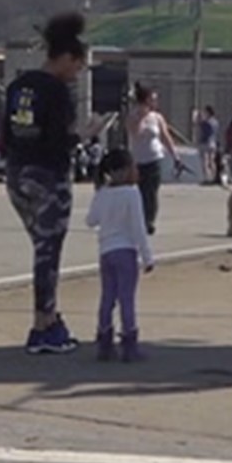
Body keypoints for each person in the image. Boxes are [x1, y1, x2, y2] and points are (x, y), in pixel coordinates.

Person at [0, 12, 90, 355]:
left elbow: (6, 135)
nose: (76, 73)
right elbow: (58, 140)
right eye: (77, 66)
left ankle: (50, 317)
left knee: (41, 246)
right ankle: (43, 325)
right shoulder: (57, 92)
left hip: (16, 174)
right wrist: (83, 136)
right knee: (48, 252)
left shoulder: (18, 86)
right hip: (49, 175)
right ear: (66, 58)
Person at [86, 146, 155, 362]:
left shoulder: (102, 192)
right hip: (126, 251)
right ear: (125, 170)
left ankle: (104, 341)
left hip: (105, 251)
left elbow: (91, 220)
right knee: (127, 299)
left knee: (107, 297)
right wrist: (147, 256)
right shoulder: (132, 193)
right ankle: (129, 343)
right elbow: (138, 227)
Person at [128, 84, 186, 235]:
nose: (155, 102)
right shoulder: (133, 116)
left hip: (154, 158)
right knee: (139, 193)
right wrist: (141, 116)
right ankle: (138, 220)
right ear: (145, 100)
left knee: (151, 192)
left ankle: (149, 221)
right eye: (152, 99)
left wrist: (175, 156)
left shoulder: (157, 117)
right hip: (138, 161)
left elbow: (165, 137)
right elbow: (135, 133)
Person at [197, 105, 223, 185]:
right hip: (213, 142)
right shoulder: (215, 122)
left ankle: (207, 178)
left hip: (205, 143)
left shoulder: (206, 122)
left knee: (205, 161)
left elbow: (203, 131)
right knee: (212, 161)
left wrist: (199, 120)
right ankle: (214, 176)